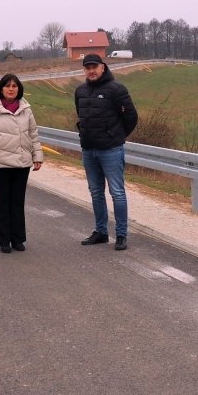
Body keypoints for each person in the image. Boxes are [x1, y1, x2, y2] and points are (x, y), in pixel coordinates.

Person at [74, 53, 138, 250]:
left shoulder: (117, 89)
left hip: (111, 150)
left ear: (103, 67)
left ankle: (121, 235)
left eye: (94, 67)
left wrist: (116, 136)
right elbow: (81, 114)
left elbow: (131, 117)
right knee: (95, 192)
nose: (91, 71)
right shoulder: (80, 91)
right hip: (89, 150)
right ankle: (101, 232)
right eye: (87, 68)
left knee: (117, 192)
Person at [0, 74, 43, 253]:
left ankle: (18, 239)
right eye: (7, 86)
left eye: (14, 86)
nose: (11, 89)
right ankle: (4, 241)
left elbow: (33, 135)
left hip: (22, 164)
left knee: (17, 202)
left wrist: (37, 157)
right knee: (1, 203)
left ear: (19, 89)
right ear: (1, 89)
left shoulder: (26, 109)